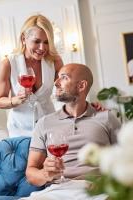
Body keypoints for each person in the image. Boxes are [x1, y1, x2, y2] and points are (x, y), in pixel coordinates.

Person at [22, 63, 121, 200]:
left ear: (81, 86)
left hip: (96, 189)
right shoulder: (44, 123)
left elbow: (125, 159)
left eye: (64, 78)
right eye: (57, 78)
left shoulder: (107, 118)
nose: (56, 83)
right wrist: (46, 174)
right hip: (57, 190)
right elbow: (30, 173)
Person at [0, 14, 63, 137]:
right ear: (23, 39)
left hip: (49, 127)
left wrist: (90, 107)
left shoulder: (55, 62)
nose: (42, 48)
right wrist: (15, 100)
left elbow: (67, 91)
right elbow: (0, 101)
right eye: (36, 41)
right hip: (19, 130)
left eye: (46, 42)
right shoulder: (8, 64)